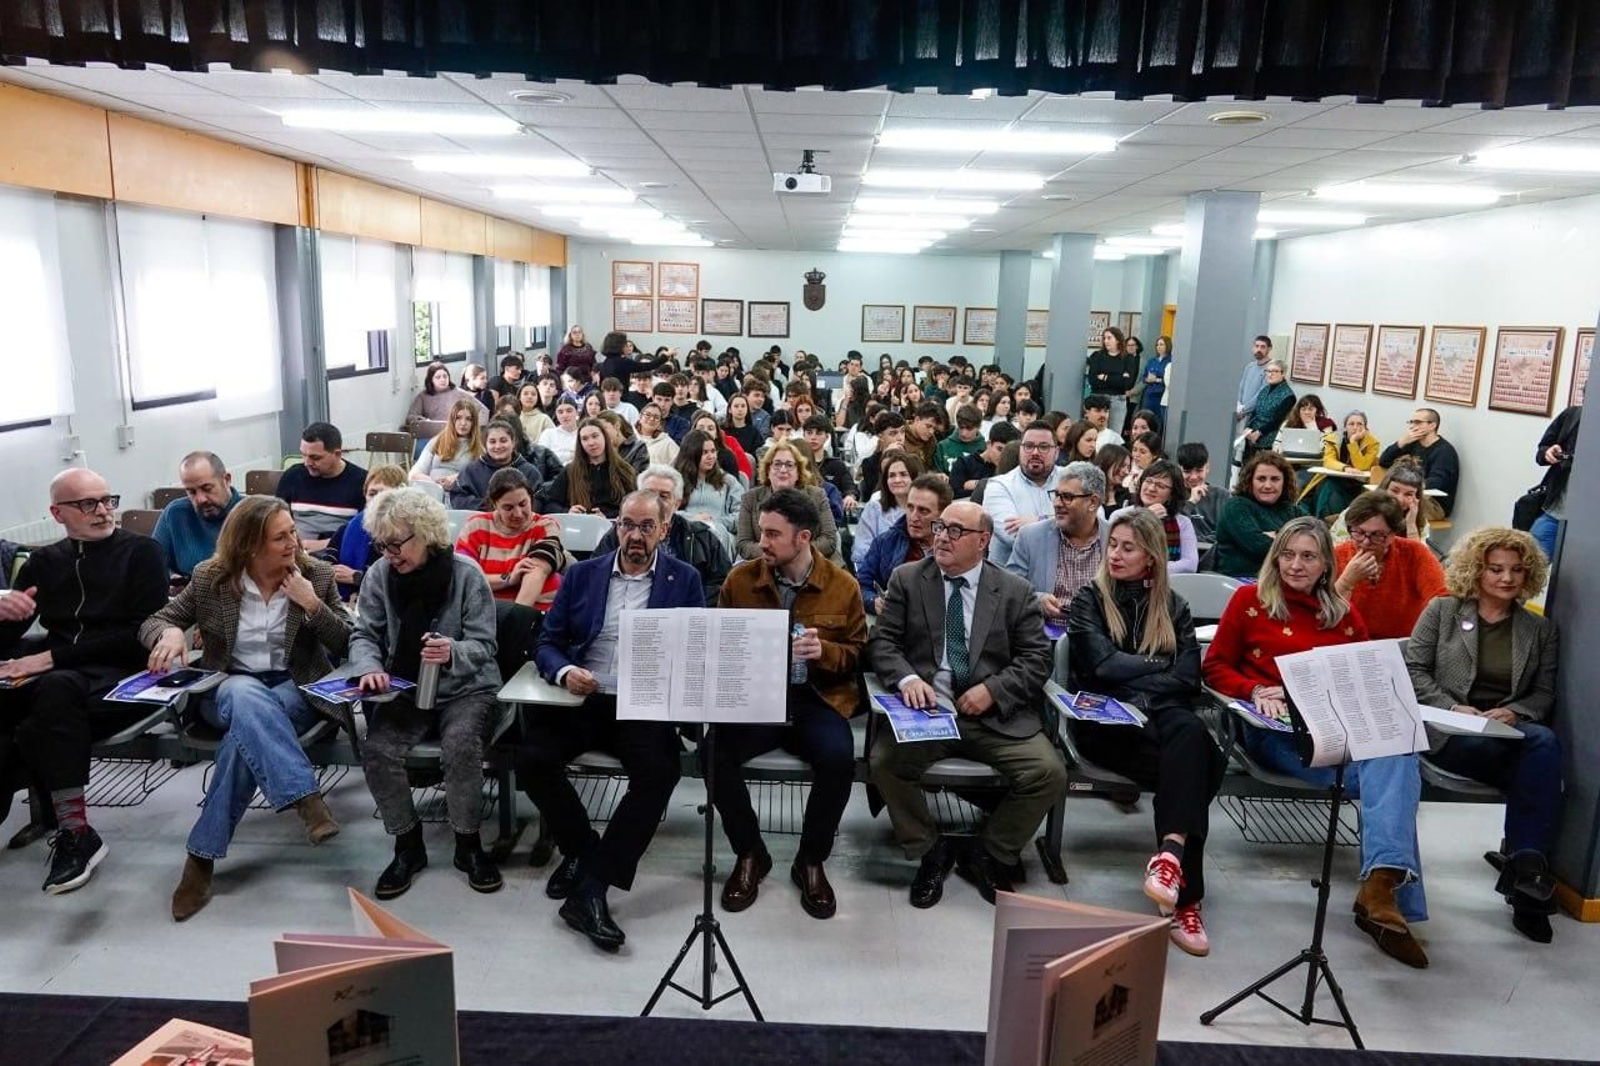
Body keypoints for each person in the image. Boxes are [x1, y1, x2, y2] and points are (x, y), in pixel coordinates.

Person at [1204, 517, 1429, 968]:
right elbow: (1214, 667)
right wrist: (1252, 690)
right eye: (1287, 554)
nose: (1296, 565)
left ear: (1327, 563)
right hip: (1276, 734)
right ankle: (1386, 900)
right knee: (1394, 783)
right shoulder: (1250, 601)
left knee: (1399, 753)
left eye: (1308, 556)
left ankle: (1379, 888)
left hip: (1338, 730)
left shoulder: (1343, 614)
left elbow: (1363, 677)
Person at [140, 496, 351, 921]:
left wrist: (312, 603)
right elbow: (154, 621)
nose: (294, 541)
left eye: (292, 530)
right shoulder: (211, 578)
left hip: (297, 691)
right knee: (242, 693)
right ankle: (304, 798)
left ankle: (201, 856)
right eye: (281, 536)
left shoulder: (316, 575)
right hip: (226, 690)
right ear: (250, 545)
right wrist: (170, 635)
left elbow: (347, 645)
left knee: (244, 733)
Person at [521, 491, 700, 950]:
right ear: (615, 526)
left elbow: (694, 649)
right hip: (585, 697)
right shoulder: (583, 575)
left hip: (642, 703)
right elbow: (546, 641)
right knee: (533, 759)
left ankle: (592, 886)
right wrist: (564, 670)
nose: (634, 536)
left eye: (645, 527)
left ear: (664, 529)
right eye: (626, 525)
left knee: (660, 772)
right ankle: (584, 850)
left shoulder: (685, 579)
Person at [868, 501, 1063, 907]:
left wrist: (994, 689)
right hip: (928, 713)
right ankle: (929, 850)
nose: (941, 536)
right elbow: (882, 643)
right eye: (941, 527)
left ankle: (989, 852)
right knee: (885, 763)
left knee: (1048, 773)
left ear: (983, 541)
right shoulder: (908, 579)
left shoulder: (1013, 590)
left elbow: (1037, 659)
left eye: (956, 531)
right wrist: (907, 678)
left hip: (993, 715)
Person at [0, 469, 168, 893]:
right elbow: (11, 639)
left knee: (52, 692)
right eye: (87, 504)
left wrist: (49, 658)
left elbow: (138, 636)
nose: (103, 511)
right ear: (58, 513)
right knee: (22, 698)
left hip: (124, 677)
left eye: (107, 500)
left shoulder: (143, 552)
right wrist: (4, 614)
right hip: (61, 682)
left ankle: (76, 833)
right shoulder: (44, 562)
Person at [1067, 508, 1224, 955]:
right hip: (1107, 721)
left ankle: (1170, 862)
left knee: (1192, 738)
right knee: (1200, 765)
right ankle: (1185, 899)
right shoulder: (1089, 600)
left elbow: (1189, 679)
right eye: (1112, 545)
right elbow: (1101, 667)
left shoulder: (1174, 606)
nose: (1115, 555)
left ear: (1151, 557)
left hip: (1161, 717)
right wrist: (1159, 665)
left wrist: (1139, 676)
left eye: (1128, 548)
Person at [712, 490, 867, 918]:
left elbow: (857, 653)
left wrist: (827, 654)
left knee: (839, 758)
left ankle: (811, 859)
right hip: (757, 696)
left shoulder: (842, 586)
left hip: (816, 696)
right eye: (762, 531)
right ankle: (749, 852)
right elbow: (722, 644)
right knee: (713, 755)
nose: (762, 542)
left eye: (772, 534)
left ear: (803, 538)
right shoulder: (740, 580)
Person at [1405, 527, 1561, 943]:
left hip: (1505, 731)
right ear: (1477, 570)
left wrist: (1516, 711)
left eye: (1516, 570)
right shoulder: (1442, 612)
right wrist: (1452, 706)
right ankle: (1528, 876)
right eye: (1496, 569)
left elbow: (1543, 693)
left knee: (1543, 741)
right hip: (1448, 731)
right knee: (1537, 763)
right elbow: (1413, 670)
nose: (1506, 579)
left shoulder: (1539, 629)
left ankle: (1526, 872)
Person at [350, 488, 504, 899]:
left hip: (466, 689)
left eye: (397, 544)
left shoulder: (466, 575)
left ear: (426, 535)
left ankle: (468, 844)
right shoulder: (380, 576)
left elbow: (485, 645)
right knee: (378, 749)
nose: (389, 554)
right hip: (406, 686)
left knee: (461, 746)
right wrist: (369, 667)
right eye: (381, 545)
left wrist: (452, 651)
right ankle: (407, 844)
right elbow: (364, 633)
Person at [595, 465, 732, 604]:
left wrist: (689, 601)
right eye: (649, 494)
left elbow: (723, 584)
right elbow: (596, 575)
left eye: (664, 496)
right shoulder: (619, 534)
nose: (656, 502)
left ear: (677, 504)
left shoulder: (701, 536)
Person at [1332, 492, 1447, 638]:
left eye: (1377, 535)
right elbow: (1321, 613)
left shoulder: (1414, 553)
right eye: (1359, 532)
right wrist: (1347, 581)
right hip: (1349, 644)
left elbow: (1441, 598)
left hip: (1402, 645)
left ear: (1393, 534)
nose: (1366, 542)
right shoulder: (1336, 556)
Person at [1005, 460, 1108, 621]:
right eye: (1056, 495)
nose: (1057, 504)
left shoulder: (1114, 538)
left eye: (1067, 497)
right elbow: (1009, 589)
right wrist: (1037, 599)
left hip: (1100, 635)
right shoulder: (1031, 537)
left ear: (1092, 503)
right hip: (1043, 638)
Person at [454, 468, 567, 611]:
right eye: (508, 508)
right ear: (495, 505)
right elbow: (464, 578)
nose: (518, 514)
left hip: (535, 610)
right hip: (485, 611)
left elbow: (537, 571)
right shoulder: (476, 527)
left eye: (523, 504)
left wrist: (516, 617)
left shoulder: (545, 526)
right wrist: (507, 579)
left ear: (531, 498)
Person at [858, 474, 951, 614]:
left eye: (923, 511)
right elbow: (861, 585)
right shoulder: (886, 542)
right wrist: (873, 601)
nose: (913, 517)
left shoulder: (958, 545)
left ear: (942, 515)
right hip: (899, 625)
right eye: (910, 507)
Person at [736, 441, 840, 563]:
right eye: (777, 464)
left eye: (789, 465)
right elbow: (743, 544)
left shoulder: (817, 495)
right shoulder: (750, 498)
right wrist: (778, 553)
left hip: (813, 563)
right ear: (768, 470)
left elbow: (829, 539)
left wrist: (794, 554)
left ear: (798, 472)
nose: (783, 470)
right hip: (764, 564)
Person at [276, 422, 367, 552]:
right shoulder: (292, 476)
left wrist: (327, 544)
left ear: (337, 454)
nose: (307, 463)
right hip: (296, 553)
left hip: (338, 555)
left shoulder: (362, 482)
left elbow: (365, 533)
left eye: (315, 457)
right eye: (303, 455)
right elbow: (276, 521)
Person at [319, 465, 407, 600]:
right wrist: (331, 572)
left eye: (383, 494)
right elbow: (328, 560)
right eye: (372, 493)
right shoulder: (347, 529)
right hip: (343, 603)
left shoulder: (405, 536)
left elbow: (400, 577)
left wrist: (357, 577)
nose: (376, 500)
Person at [1212, 452, 1305, 578]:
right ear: (1250, 481)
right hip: (1242, 581)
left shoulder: (1292, 510)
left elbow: (1316, 538)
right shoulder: (1236, 506)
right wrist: (1291, 538)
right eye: (1261, 479)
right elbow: (1260, 548)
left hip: (1284, 581)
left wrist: (1275, 535)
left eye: (1275, 479)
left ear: (1285, 482)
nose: (1267, 485)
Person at [152, 451, 242, 578]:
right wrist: (171, 578)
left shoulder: (253, 513)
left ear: (226, 480)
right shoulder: (175, 513)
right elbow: (153, 563)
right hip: (185, 593)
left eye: (207, 488)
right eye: (192, 492)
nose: (200, 499)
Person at [983, 423, 1063, 563]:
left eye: (1043, 447)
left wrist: (1039, 520)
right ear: (1020, 449)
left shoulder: (1072, 479)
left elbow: (1093, 521)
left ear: (1056, 452)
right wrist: (1063, 521)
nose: (1035, 452)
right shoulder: (999, 486)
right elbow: (1013, 536)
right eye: (1029, 446)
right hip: (1012, 579)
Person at [538, 417, 637, 518]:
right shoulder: (570, 471)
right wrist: (567, 511)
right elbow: (550, 505)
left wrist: (607, 516)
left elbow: (634, 507)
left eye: (595, 436)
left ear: (605, 437)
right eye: (585, 439)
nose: (591, 443)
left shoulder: (624, 470)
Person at [1114, 459, 1197, 575]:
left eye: (1160, 486)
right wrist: (1146, 518)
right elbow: (1116, 555)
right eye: (1148, 481)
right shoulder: (1120, 515)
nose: (1151, 488)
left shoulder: (1183, 522)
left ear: (1172, 494)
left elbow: (1190, 564)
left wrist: (1151, 568)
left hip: (1168, 586)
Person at [1379, 408, 1460, 516]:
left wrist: (1407, 487)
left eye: (1417, 422)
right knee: (1375, 501)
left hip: (1434, 503)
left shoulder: (1444, 451)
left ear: (1432, 425)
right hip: (1408, 495)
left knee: (1388, 507)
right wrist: (1401, 442)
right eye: (1411, 422)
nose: (1412, 426)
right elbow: (1384, 461)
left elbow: (1437, 482)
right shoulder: (1412, 443)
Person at [449, 418, 544, 511]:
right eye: (492, 442)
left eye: (503, 441)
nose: (498, 446)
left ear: (513, 442)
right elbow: (458, 498)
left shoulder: (530, 472)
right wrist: (489, 507)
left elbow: (538, 501)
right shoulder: (470, 471)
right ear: (485, 445)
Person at [1331, 459, 1431, 545]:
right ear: (1385, 488)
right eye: (1395, 491)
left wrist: (1411, 525)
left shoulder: (1418, 521)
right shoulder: (1357, 512)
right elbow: (1338, 552)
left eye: (1408, 494)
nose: (1399, 499)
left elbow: (1420, 560)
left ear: (1417, 497)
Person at [1301, 410, 1380, 517]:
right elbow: (1328, 461)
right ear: (1345, 427)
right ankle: (1321, 519)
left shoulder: (1373, 443)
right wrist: (1345, 468)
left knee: (1328, 488)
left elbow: (1362, 466)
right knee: (1327, 485)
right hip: (1335, 479)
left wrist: (1353, 442)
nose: (1355, 427)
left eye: (1360, 424)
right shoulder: (1334, 439)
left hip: (1357, 484)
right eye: (1351, 424)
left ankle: (1320, 519)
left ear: (1365, 428)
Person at [851, 450, 919, 571]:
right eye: (891, 475)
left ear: (914, 478)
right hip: (880, 573)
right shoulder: (874, 508)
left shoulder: (924, 510)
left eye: (903, 474)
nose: (897, 480)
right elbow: (862, 549)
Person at [1528, 404, 1580, 560]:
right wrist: (1547, 453)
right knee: (1529, 565)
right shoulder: (1573, 415)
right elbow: (1542, 451)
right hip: (1555, 512)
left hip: (1589, 525)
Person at [410, 399, 485, 496]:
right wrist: (434, 484)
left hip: (459, 495)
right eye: (458, 418)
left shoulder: (478, 448)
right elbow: (415, 473)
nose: (463, 423)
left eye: (468, 419)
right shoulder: (437, 440)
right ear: (452, 420)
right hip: (431, 490)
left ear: (474, 423)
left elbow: (479, 479)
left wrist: (459, 478)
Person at [405, 360, 487, 440]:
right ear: (431, 380)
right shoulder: (423, 396)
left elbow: (483, 410)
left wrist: (472, 429)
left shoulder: (458, 393)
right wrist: (423, 421)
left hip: (455, 437)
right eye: (438, 377)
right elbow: (411, 416)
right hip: (430, 438)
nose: (443, 379)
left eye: (445, 376)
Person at [1088, 327, 1139, 431]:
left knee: (1114, 435)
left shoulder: (1128, 359)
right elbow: (1093, 380)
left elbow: (1127, 384)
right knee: (1096, 433)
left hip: (1118, 400)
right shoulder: (1097, 356)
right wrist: (1119, 377)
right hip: (1099, 399)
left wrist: (1105, 377)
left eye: (1109, 338)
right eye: (1104, 338)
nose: (1106, 341)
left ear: (1118, 340)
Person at [1242, 359, 1295, 458]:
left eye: (1274, 371)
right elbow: (1255, 412)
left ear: (1283, 374)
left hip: (1269, 438)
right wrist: (1248, 429)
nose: (1270, 374)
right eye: (1268, 371)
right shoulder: (1264, 390)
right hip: (1252, 435)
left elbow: (1277, 420)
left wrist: (1259, 432)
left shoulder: (1288, 396)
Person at [802, 415, 857, 509]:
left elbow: (850, 488)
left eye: (818, 433)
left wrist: (850, 496)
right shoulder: (797, 464)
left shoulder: (837, 465)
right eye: (809, 433)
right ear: (804, 435)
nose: (813, 437)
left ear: (827, 437)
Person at [951, 422, 1018, 499]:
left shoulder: (1010, 468)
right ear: (989, 444)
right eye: (999, 449)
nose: (1002, 455)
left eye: (1007, 452)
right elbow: (954, 494)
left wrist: (979, 484)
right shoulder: (963, 463)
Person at [1176, 442, 1224, 542]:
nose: (1193, 477)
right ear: (1179, 469)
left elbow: (1225, 532)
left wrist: (1193, 542)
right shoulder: (1172, 494)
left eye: (1199, 471)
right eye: (1187, 471)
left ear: (1207, 468)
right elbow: (1173, 528)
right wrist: (1191, 502)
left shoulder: (1221, 495)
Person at [858, 411, 907, 499]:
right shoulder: (869, 463)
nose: (900, 438)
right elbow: (876, 494)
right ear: (880, 436)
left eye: (902, 431)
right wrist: (885, 459)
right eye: (893, 433)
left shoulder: (912, 459)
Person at [933, 405, 985, 475]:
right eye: (961, 428)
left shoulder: (984, 447)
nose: (964, 433)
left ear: (978, 427)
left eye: (969, 429)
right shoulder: (942, 446)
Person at [1235, 335, 1273, 427]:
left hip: (1255, 416)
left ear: (1269, 349)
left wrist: (1244, 411)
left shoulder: (1272, 369)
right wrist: (1238, 407)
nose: (1259, 349)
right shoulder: (1249, 366)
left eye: (1263, 347)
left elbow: (1261, 394)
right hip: (1240, 414)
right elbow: (1241, 388)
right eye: (1257, 346)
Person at [1140, 336, 1173, 426]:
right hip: (1150, 395)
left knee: (1159, 422)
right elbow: (1143, 377)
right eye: (1157, 345)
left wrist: (1157, 380)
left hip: (1161, 395)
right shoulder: (1152, 361)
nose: (1159, 347)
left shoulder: (1171, 361)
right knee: (1147, 421)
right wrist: (1147, 379)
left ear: (1167, 346)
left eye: (1161, 344)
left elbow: (1170, 380)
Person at [538, 398, 581, 465]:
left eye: (569, 411)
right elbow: (542, 459)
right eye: (560, 412)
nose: (565, 415)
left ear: (577, 412)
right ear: (556, 414)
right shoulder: (548, 434)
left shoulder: (582, 434)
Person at [1093, 444, 1132, 514]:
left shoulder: (1126, 496)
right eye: (1122, 465)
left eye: (1128, 467)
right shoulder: (1087, 491)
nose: (1126, 472)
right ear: (1107, 463)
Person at [514, 382, 556, 446]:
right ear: (519, 397)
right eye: (525, 394)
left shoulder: (544, 419)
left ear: (537, 398)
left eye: (533, 394)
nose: (530, 396)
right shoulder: (513, 416)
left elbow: (555, 440)